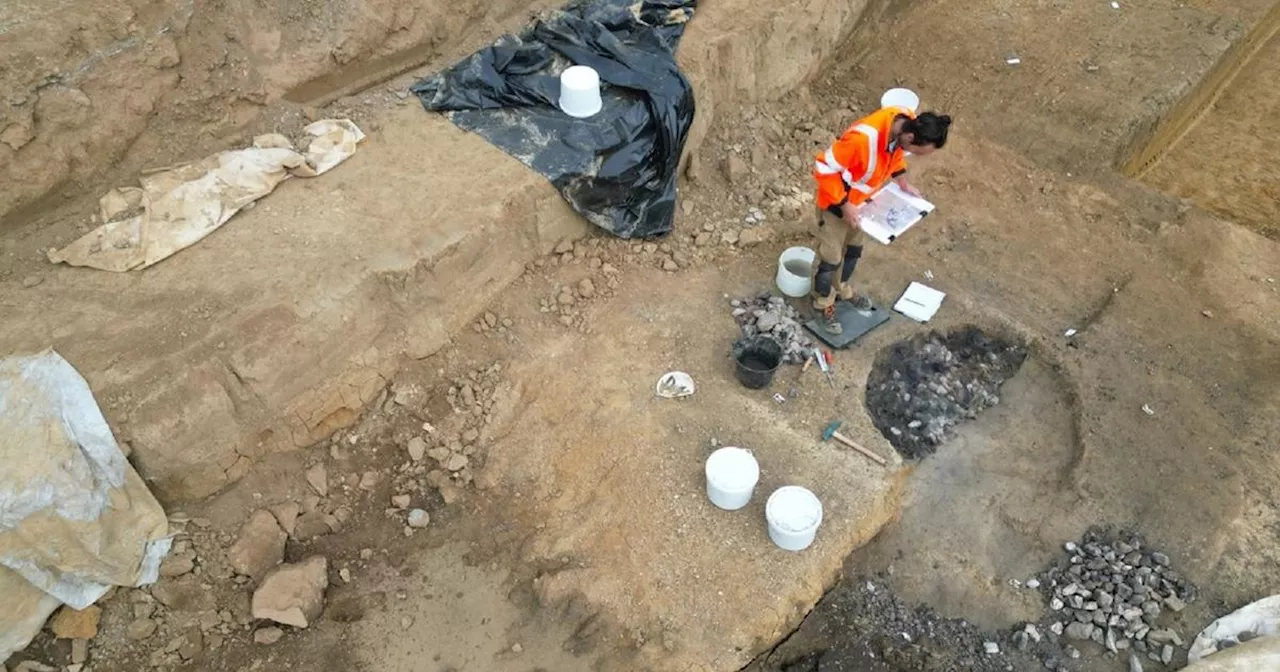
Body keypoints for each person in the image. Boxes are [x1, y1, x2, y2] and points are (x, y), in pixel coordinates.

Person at [810, 107, 952, 334]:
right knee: (831, 259)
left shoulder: (902, 123)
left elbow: (895, 156)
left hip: (861, 206)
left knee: (853, 251)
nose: (913, 155)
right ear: (910, 137)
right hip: (835, 206)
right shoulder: (862, 140)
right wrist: (845, 205)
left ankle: (842, 290)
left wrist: (903, 182)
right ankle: (823, 303)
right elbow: (823, 166)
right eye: (916, 151)